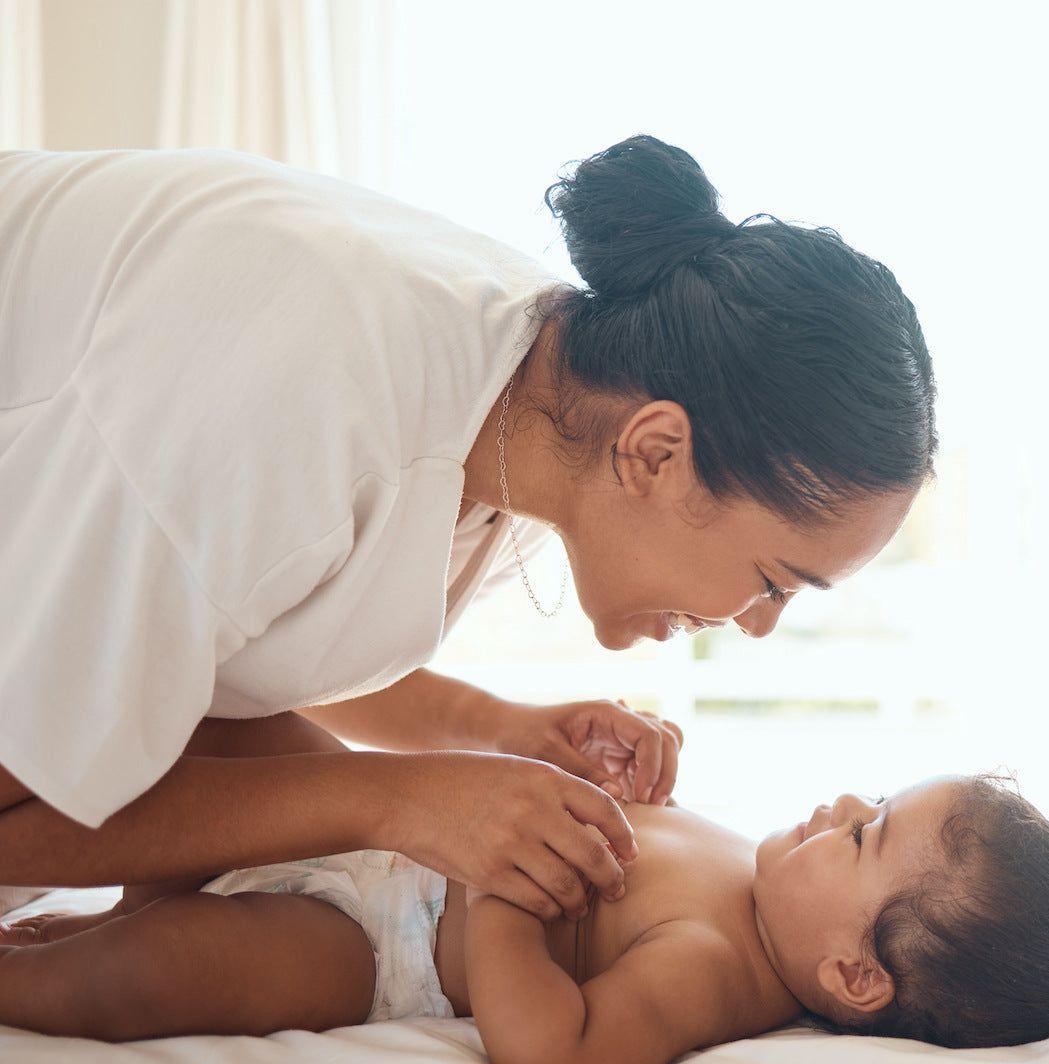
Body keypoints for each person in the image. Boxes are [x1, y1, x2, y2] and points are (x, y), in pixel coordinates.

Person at [0, 135, 938, 921]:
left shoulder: (543, 407)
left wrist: (497, 731)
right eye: (775, 580)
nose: (758, 623)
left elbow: (239, 620)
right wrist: (396, 798)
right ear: (656, 452)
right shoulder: (292, 399)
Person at [0, 773, 1049, 1064]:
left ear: (851, 972)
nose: (835, 805)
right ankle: (119, 888)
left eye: (862, 833)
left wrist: (495, 896)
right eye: (868, 794)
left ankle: (40, 973)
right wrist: (621, 763)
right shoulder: (747, 870)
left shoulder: (715, 970)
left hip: (384, 937)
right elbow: (632, 830)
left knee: (153, 973)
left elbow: (554, 1048)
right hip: (390, 819)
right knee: (239, 729)